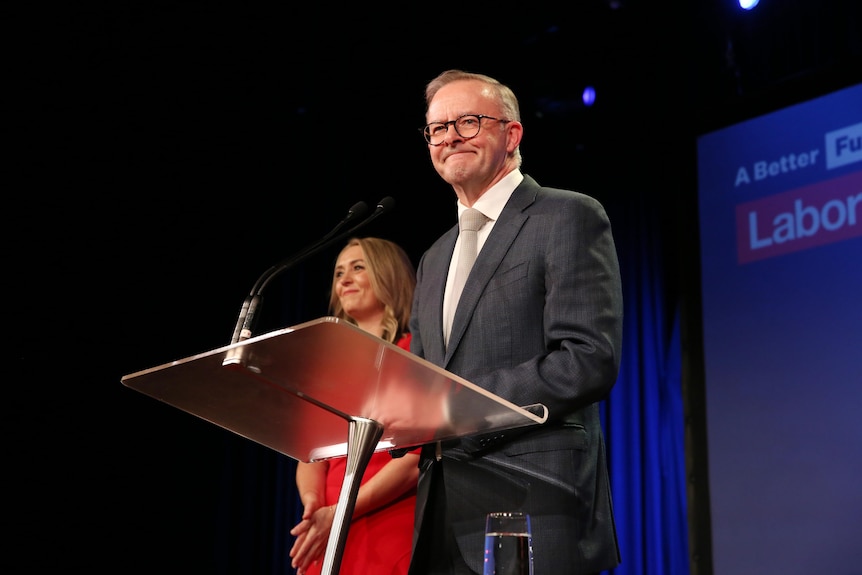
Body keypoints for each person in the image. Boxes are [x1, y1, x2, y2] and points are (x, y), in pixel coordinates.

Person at [407, 70, 624, 575]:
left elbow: (587, 360)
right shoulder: (434, 257)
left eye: (467, 121)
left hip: (535, 502)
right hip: (440, 519)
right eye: (437, 129)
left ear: (512, 134)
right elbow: (420, 384)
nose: (449, 137)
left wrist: (457, 407)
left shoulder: (567, 216)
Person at [290, 237, 420, 575]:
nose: (344, 280)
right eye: (338, 273)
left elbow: (413, 461)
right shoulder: (331, 372)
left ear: (388, 276)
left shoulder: (413, 356)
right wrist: (313, 508)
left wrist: (338, 512)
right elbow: (310, 456)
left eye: (358, 268)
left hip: (386, 525)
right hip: (329, 529)